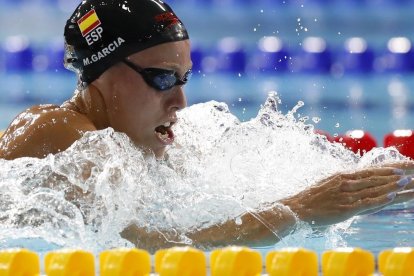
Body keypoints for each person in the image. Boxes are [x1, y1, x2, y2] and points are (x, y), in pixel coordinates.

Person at [0, 0, 413, 252]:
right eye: (161, 79)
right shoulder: (56, 131)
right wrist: (299, 211)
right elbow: (140, 245)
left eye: (183, 79)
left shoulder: (136, 144)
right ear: (101, 73)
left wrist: (378, 186)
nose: (179, 101)